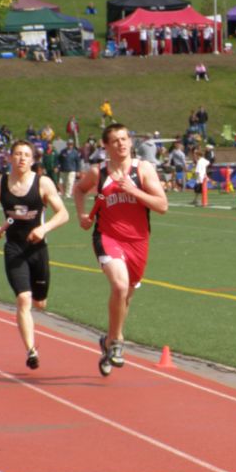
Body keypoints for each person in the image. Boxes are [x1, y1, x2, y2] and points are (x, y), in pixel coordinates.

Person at [73, 124, 168, 376]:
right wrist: (82, 213)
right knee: (119, 286)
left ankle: (108, 342)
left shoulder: (142, 169)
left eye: (125, 139)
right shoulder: (98, 172)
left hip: (138, 241)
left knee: (125, 298)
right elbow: (79, 189)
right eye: (115, 140)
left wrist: (134, 191)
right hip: (107, 236)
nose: (122, 144)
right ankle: (117, 342)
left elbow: (162, 205)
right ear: (106, 146)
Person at [0, 140, 69, 370]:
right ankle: (31, 350)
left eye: (26, 155)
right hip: (14, 248)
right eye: (17, 154)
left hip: (38, 249)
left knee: (39, 303)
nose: (21, 158)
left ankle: (34, 321)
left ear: (32, 160)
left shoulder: (43, 183)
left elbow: (63, 214)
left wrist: (43, 228)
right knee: (23, 299)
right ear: (10, 158)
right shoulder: (0, 184)